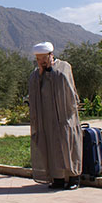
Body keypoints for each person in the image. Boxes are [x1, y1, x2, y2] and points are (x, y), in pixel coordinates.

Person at [28, 42, 83, 190]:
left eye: (44, 58)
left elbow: (66, 86)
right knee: (51, 148)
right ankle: (57, 178)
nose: (41, 62)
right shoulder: (37, 72)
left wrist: (51, 72)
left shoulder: (64, 67)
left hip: (65, 117)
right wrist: (39, 75)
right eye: (38, 59)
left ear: (51, 55)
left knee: (68, 146)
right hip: (47, 118)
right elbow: (33, 89)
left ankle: (74, 178)